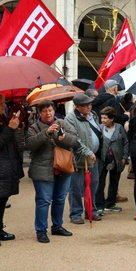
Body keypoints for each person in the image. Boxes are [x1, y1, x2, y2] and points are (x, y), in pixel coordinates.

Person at [26, 100, 87, 243]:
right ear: (39, 113)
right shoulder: (33, 128)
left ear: (54, 111)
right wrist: (46, 133)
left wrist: (62, 137)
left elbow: (74, 141)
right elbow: (30, 145)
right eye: (44, 111)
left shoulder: (62, 123)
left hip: (63, 167)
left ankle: (57, 226)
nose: (48, 113)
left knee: (60, 199)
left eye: (50, 110)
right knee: (44, 201)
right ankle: (41, 231)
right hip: (43, 170)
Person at [64, 93, 103, 224]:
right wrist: (86, 151)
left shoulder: (94, 115)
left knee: (93, 185)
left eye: (90, 104)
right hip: (78, 158)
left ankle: (91, 210)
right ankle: (75, 213)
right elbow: (74, 139)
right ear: (77, 107)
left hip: (94, 157)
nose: (89, 107)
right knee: (76, 187)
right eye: (85, 105)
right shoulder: (70, 118)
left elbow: (98, 131)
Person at [96, 106, 128, 213]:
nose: (103, 120)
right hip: (102, 159)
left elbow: (126, 142)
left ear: (112, 118)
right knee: (100, 182)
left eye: (105, 118)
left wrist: (124, 157)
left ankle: (110, 203)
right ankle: (99, 205)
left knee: (114, 181)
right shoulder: (99, 128)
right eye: (102, 118)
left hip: (117, 159)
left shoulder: (119, 127)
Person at [0, 107, 25, 244]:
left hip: (7, 165)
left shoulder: (3, 116)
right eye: (1, 101)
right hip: (3, 165)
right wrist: (9, 128)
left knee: (2, 199)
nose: (4, 104)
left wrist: (14, 126)